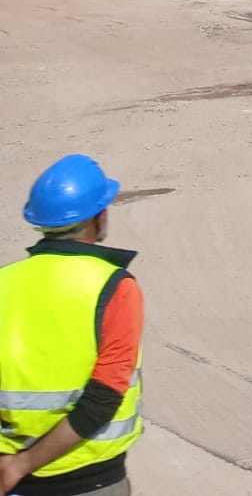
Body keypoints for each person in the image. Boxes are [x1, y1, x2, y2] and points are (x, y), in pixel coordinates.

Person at [0, 156, 144, 496]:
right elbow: (104, 396)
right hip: (89, 479)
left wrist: (12, 463)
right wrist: (24, 463)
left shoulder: (4, 282)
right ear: (99, 217)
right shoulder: (115, 287)